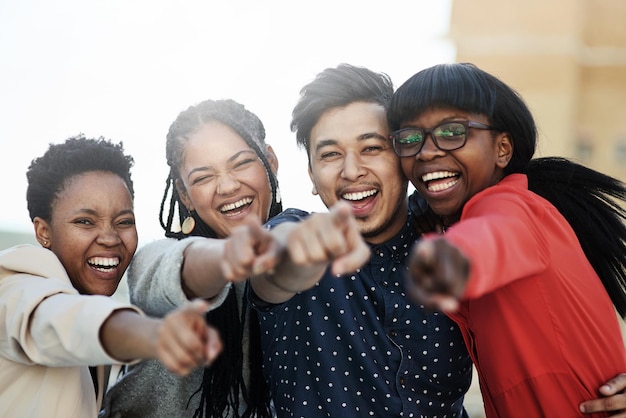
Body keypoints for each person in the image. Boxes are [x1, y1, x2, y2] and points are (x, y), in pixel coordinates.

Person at [387, 62, 626, 417]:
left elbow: (494, 236)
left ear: (502, 149)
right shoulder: (451, 220)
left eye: (452, 132)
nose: (425, 151)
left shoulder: (513, 206)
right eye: (409, 138)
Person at [245, 63, 474, 417]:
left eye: (371, 148)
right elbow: (273, 267)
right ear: (311, 173)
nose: (351, 171)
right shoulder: (295, 232)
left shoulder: (451, 234)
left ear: (404, 157)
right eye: (331, 154)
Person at [0, 135, 222, 418]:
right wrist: (154, 335)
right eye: (85, 222)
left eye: (124, 222)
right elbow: (65, 321)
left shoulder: (84, 294)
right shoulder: (14, 284)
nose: (109, 238)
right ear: (43, 231)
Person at [101, 99, 283, 418]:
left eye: (240, 163)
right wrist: (230, 256)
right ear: (184, 195)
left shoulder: (300, 255)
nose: (227, 186)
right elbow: (178, 271)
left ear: (270, 161)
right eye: (203, 178)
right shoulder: (157, 260)